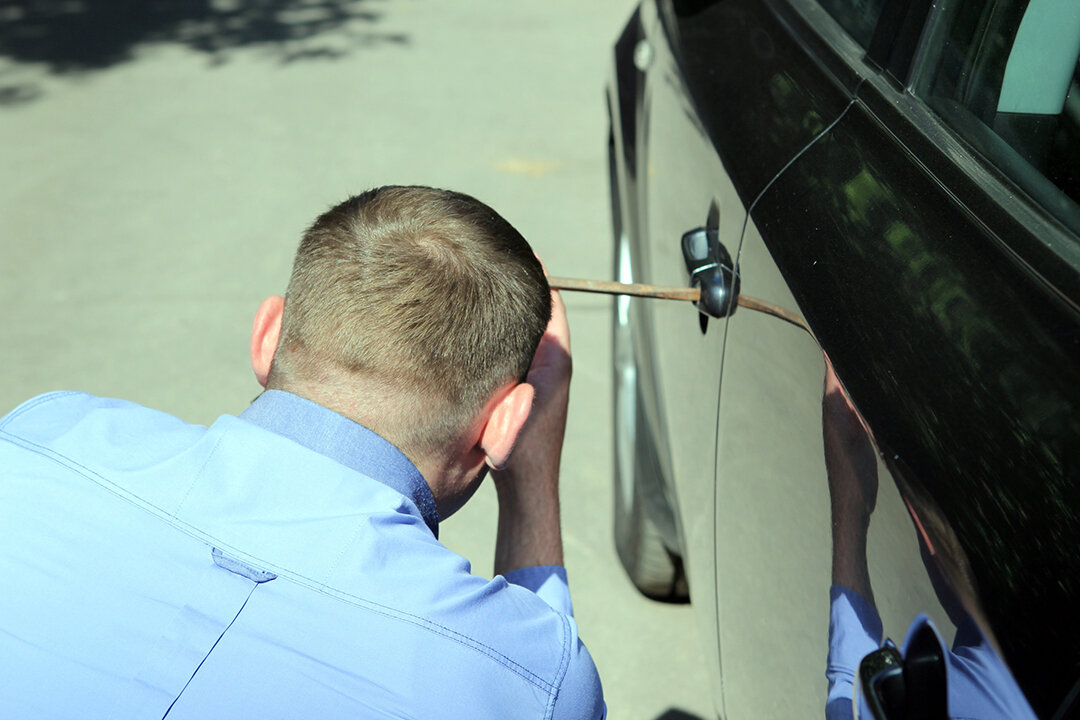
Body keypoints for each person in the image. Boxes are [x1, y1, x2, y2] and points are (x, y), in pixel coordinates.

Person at [0, 186, 606, 719]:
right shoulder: (523, 676)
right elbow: (540, 681)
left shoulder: (41, 437)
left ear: (268, 336)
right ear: (505, 425)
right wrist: (530, 486)